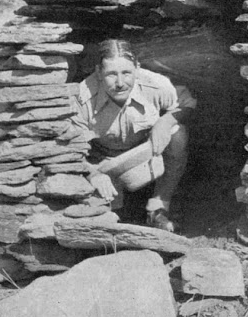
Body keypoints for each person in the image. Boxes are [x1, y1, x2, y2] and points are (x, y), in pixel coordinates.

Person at [70, 39, 196, 233]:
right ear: (98, 72)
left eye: (126, 73)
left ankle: (158, 208)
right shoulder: (82, 97)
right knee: (105, 221)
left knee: (178, 133)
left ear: (137, 68)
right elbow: (70, 148)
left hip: (143, 155)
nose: (120, 83)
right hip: (102, 163)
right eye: (111, 74)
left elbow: (187, 103)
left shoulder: (154, 84)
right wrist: (92, 174)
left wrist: (165, 121)